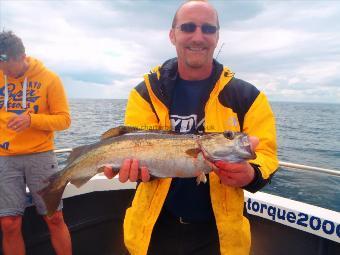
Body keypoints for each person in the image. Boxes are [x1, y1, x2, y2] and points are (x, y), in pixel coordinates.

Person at [104, 0, 278, 254]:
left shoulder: (247, 96)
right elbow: (138, 147)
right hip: (155, 230)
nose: (198, 36)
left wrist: (251, 173)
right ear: (172, 35)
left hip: (219, 236)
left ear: (217, 36)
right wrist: (136, 169)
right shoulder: (146, 93)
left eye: (208, 29)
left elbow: (268, 154)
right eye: (188, 27)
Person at [0, 31, 72, 255]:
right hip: (5, 158)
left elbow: (64, 120)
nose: (4, 71)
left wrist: (32, 120)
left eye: (7, 67)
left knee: (54, 217)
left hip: (41, 155)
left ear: (21, 56)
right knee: (9, 224)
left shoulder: (49, 79)